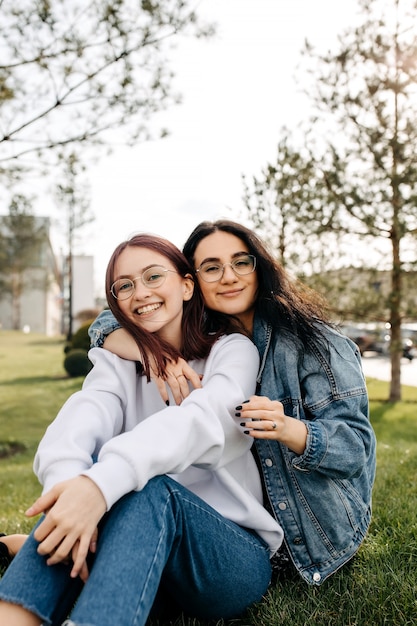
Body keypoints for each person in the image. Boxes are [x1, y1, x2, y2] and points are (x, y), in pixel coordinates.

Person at [0, 233, 283, 626]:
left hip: (228, 556)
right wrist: (68, 491)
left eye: (153, 277)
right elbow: (80, 417)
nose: (140, 293)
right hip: (137, 549)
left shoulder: (232, 350)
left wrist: (100, 485)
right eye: (125, 286)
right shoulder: (117, 362)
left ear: (186, 285)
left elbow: (204, 421)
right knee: (87, 491)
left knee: (145, 485)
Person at [86, 219, 377, 586]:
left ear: (260, 268)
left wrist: (292, 429)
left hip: (305, 534)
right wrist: (151, 354)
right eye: (211, 267)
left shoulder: (315, 342)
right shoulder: (205, 337)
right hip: (221, 520)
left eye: (241, 262)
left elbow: (356, 448)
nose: (228, 277)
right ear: (190, 281)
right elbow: (105, 323)